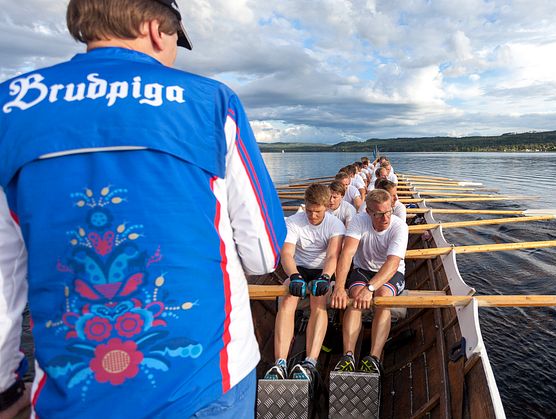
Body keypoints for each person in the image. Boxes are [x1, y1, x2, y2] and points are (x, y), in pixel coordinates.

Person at [0, 1, 286, 418]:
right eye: (175, 41)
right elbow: (262, 252)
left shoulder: (10, 106)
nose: (172, 54)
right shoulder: (211, 103)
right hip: (206, 383)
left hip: (71, 395)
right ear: (155, 28)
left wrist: (6, 390)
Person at [265, 184, 344, 384]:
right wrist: (294, 276)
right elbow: (287, 254)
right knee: (287, 300)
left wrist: (326, 277)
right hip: (297, 268)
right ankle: (280, 362)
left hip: (322, 270)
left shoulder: (335, 225)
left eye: (317, 212)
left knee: (319, 301)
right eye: (308, 210)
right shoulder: (293, 222)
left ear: (326, 207)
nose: (312, 215)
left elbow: (333, 255)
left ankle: (310, 362)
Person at [330, 190, 408, 375]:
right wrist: (339, 288)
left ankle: (374, 357)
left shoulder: (399, 227)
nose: (385, 218)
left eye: (388, 211)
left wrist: (370, 288)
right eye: (379, 214)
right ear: (368, 212)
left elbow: (392, 263)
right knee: (355, 297)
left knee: (382, 298)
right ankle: (348, 356)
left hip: (391, 272)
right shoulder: (359, 221)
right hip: (363, 270)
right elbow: (347, 254)